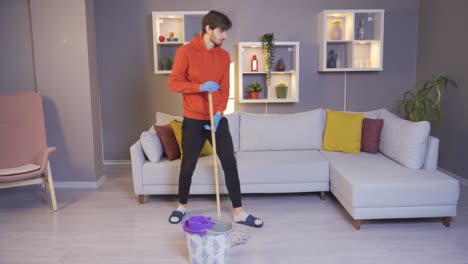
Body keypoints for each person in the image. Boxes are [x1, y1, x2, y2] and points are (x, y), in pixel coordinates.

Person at [167, 10, 263, 228]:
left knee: (230, 163)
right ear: (208, 29)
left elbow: (225, 88)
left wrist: (219, 113)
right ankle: (182, 206)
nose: (224, 36)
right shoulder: (186, 52)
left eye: (226, 31)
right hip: (192, 120)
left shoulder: (223, 56)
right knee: (188, 165)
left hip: (216, 118)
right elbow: (173, 83)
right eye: (221, 31)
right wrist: (198, 87)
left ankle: (238, 212)